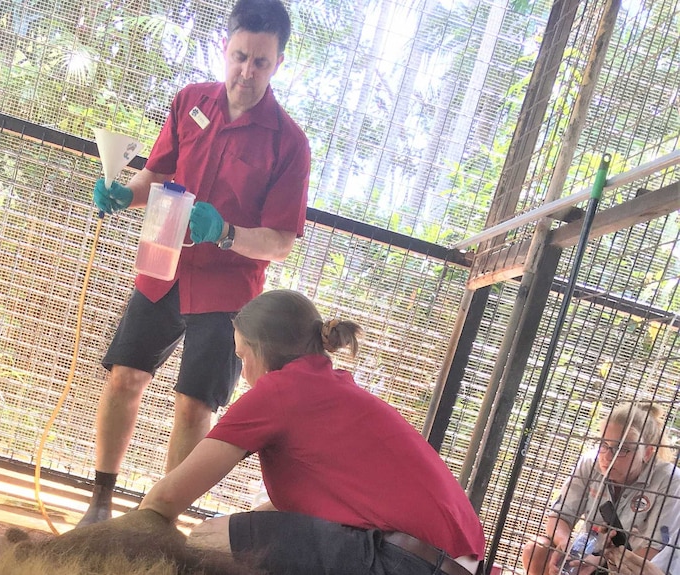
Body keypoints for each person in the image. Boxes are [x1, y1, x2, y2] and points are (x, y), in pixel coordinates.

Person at [78, 0, 310, 526]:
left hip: (228, 293)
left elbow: (279, 242)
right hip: (163, 268)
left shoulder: (290, 143)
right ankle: (99, 503)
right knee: (123, 378)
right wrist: (123, 193)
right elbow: (155, 177)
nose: (246, 72)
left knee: (193, 406)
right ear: (225, 50)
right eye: (240, 56)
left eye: (261, 63)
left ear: (278, 65)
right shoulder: (189, 103)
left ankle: (156, 523)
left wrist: (225, 233)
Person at [132, 289, 486, 575]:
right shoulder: (331, 386)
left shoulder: (278, 392)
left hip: (406, 562)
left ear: (262, 349)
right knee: (256, 531)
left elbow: (166, 500)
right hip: (447, 561)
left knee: (206, 540)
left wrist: (123, 542)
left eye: (242, 357)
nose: (242, 374)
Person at [520, 402, 680, 575]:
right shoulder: (590, 463)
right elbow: (559, 515)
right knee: (537, 549)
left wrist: (605, 559)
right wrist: (565, 545)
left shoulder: (670, 481)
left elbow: (654, 550)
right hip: (591, 552)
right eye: (604, 445)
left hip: (635, 565)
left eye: (622, 449)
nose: (608, 457)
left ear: (647, 453)